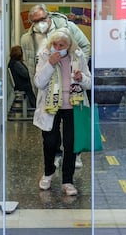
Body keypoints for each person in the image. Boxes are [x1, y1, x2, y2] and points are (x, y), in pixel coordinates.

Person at [21, 3, 91, 168]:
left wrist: (78, 68)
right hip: (47, 87)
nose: (39, 23)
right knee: (50, 129)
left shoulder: (68, 27)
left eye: (42, 19)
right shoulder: (28, 38)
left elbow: (85, 46)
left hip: (71, 87)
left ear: (49, 16)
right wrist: (36, 85)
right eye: (35, 21)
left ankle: (75, 156)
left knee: (73, 130)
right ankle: (57, 155)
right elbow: (30, 65)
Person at [33, 28, 91, 196]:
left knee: (71, 144)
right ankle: (48, 173)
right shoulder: (45, 56)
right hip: (51, 106)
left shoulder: (78, 56)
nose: (58, 48)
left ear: (69, 45)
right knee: (50, 142)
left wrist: (81, 79)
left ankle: (67, 180)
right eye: (55, 44)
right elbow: (38, 82)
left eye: (62, 45)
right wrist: (50, 64)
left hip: (73, 106)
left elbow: (89, 83)